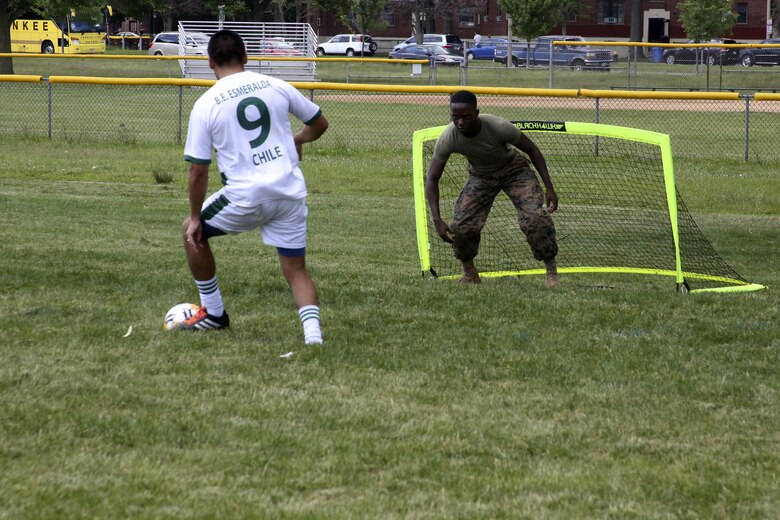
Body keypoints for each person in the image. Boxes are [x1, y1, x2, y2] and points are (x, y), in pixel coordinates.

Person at [177, 29, 329, 345]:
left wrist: (195, 216)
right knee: (296, 270)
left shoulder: (206, 105)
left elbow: (197, 171)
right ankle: (313, 338)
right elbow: (319, 124)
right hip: (289, 193)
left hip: (243, 197)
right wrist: (296, 139)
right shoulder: (275, 85)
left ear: (209, 63)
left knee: (191, 232)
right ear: (246, 57)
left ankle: (214, 314)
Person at [425, 90, 560, 286]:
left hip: (514, 170)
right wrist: (437, 220)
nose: (461, 123)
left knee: (534, 218)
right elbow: (432, 178)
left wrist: (549, 187)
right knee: (460, 226)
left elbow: (533, 150)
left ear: (477, 112)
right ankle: (470, 274)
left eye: (466, 117)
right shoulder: (449, 137)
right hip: (481, 175)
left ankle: (552, 273)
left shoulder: (498, 126)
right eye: (456, 117)